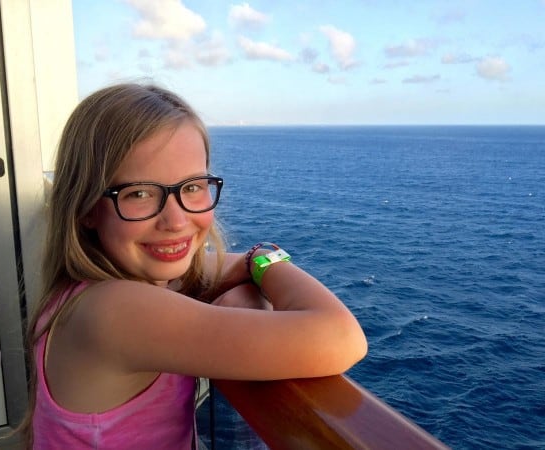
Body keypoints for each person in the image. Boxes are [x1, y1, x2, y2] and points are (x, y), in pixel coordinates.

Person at [18, 83, 367, 449]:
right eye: (139, 193)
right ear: (87, 207)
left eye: (192, 187)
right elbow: (343, 339)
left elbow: (209, 269)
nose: (176, 220)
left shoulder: (93, 293)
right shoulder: (117, 312)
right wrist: (268, 258)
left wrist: (250, 262)